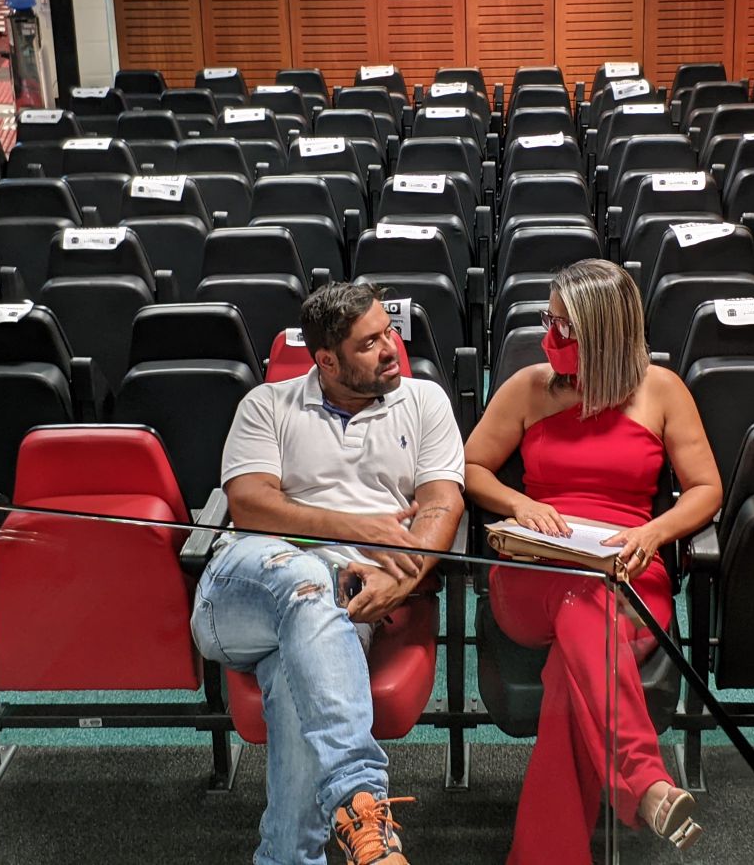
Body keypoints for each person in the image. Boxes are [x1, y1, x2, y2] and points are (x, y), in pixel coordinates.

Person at [191, 282, 466, 865]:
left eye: (388, 332)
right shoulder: (267, 404)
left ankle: (291, 855)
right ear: (327, 361)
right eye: (369, 343)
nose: (391, 349)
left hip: (344, 600)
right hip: (246, 585)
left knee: (298, 670)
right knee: (306, 582)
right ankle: (359, 794)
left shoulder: (425, 402)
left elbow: (443, 503)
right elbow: (251, 505)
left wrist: (406, 578)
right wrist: (358, 528)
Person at [463, 259, 724, 863]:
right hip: (536, 569)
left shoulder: (663, 391)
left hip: (628, 567)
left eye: (565, 327)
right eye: (548, 321)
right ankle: (644, 780)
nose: (549, 337)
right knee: (580, 594)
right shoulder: (528, 387)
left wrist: (655, 532)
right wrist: (520, 503)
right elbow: (470, 467)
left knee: (570, 670)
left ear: (605, 333)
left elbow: (706, 488)